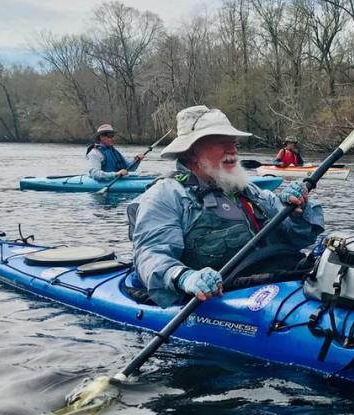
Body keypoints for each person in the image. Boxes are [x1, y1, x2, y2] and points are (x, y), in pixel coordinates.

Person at [128, 106, 324, 307]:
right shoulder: (165, 196)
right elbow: (150, 255)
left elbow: (300, 238)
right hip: (218, 301)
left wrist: (297, 212)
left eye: (233, 142)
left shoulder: (248, 190)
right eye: (220, 143)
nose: (232, 150)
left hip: (274, 286)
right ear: (191, 153)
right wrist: (185, 277)